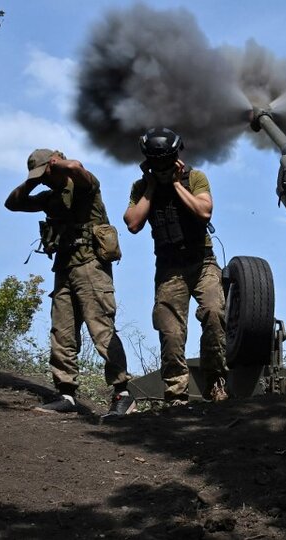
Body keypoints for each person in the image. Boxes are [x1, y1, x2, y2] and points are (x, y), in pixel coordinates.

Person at [5, 149, 134, 416]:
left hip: (91, 266)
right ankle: (66, 394)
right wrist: (32, 180)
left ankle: (123, 394)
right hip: (64, 267)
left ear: (55, 166)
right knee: (61, 333)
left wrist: (60, 164)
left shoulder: (85, 187)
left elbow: (76, 167)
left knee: (102, 329)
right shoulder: (49, 198)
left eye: (44, 174)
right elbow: (13, 203)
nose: (43, 180)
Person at [123, 127, 228, 405]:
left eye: (165, 161)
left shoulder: (194, 178)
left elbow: (204, 211)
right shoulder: (141, 188)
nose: (161, 166)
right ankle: (176, 394)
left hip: (202, 261)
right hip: (170, 267)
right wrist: (154, 187)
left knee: (215, 314)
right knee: (170, 330)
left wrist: (177, 185)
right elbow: (133, 223)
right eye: (156, 162)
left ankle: (215, 383)